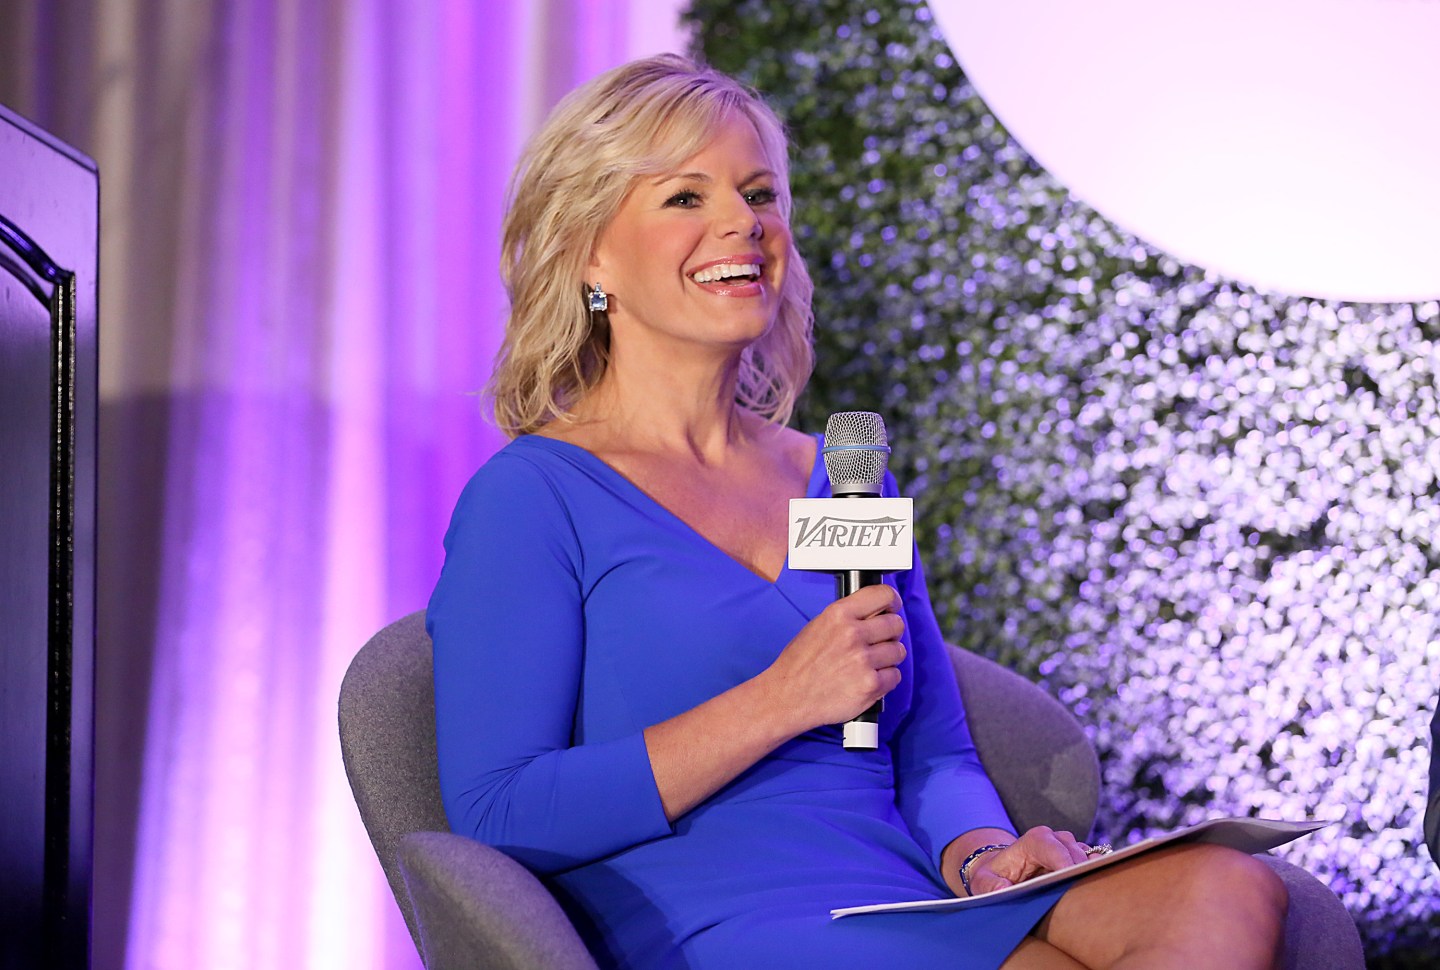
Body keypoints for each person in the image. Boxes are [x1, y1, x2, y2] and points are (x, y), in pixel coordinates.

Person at [427, 54, 1288, 970]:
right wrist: (778, 700)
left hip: (905, 903)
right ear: (592, 252)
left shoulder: (843, 471)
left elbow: (931, 752)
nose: (743, 222)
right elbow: (499, 810)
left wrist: (985, 859)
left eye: (760, 193)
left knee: (1228, 885)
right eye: (685, 197)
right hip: (715, 925)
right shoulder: (532, 496)